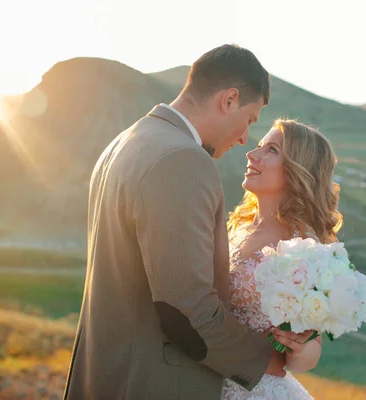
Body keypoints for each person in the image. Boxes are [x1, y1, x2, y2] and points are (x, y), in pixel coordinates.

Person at [63, 44, 286, 400]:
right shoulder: (183, 160)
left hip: (107, 372)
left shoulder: (127, 141)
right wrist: (264, 358)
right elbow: (188, 309)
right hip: (149, 383)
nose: (245, 137)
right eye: (250, 119)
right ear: (229, 99)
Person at [223, 118, 343, 399]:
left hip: (254, 388)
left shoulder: (303, 245)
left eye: (272, 150)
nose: (252, 154)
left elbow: (311, 350)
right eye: (259, 146)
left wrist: (300, 347)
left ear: (298, 169)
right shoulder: (237, 224)